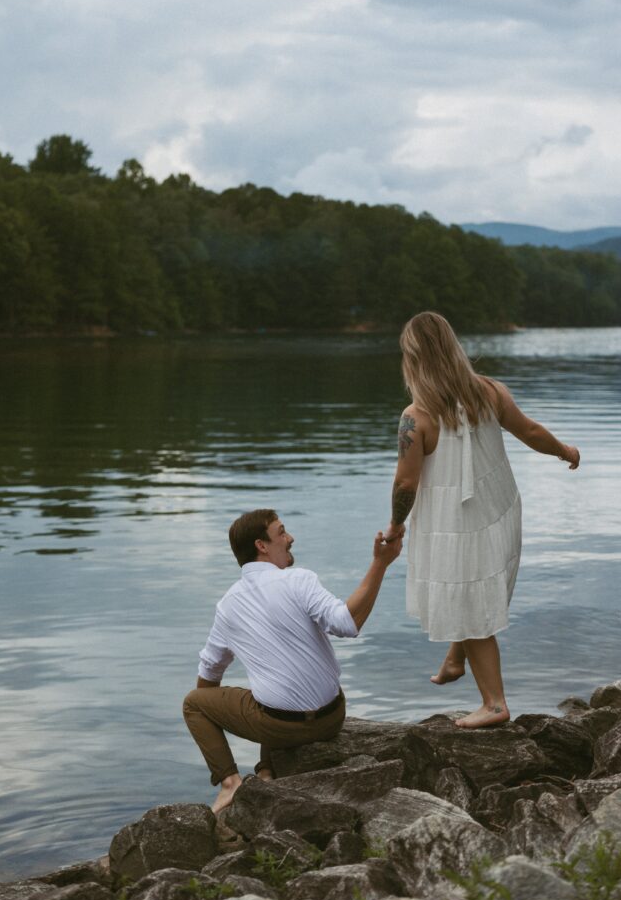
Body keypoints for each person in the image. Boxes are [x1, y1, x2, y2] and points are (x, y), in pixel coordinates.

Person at [384, 312, 580, 729]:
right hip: (499, 511)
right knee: (469, 592)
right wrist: (564, 450)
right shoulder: (490, 392)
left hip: (460, 525)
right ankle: (457, 658)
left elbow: (405, 482)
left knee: (470, 602)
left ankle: (494, 704)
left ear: (413, 359)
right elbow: (529, 431)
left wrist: (396, 525)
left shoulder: (415, 418)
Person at [183, 509, 402, 813]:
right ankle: (266, 770)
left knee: (196, 702)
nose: (290, 538)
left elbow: (209, 674)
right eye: (282, 532)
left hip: (279, 729)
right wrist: (380, 564)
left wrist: (214, 714)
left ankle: (231, 783)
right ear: (262, 545)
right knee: (270, 685)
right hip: (331, 718)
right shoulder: (299, 580)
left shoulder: (228, 606)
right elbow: (346, 623)